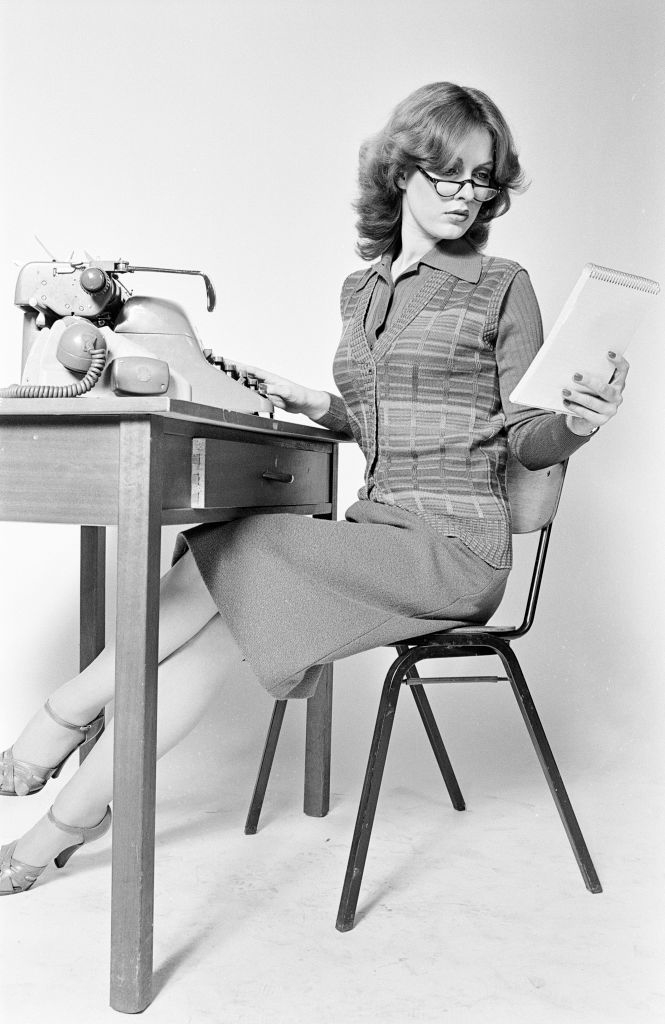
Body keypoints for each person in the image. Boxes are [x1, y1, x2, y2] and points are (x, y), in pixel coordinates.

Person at [0, 81, 627, 894]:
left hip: (455, 550)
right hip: (378, 530)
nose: (467, 194)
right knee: (235, 611)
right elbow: (392, 422)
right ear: (403, 173)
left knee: (245, 542)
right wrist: (317, 405)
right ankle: (60, 826)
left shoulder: (502, 284)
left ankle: (54, 729)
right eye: (448, 174)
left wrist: (577, 424)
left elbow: (520, 433)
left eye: (483, 179)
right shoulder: (359, 290)